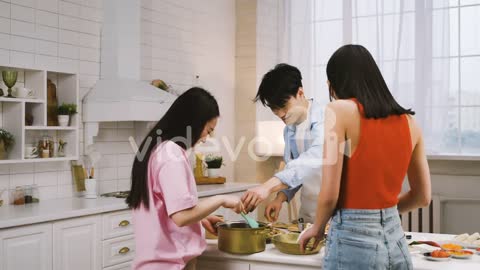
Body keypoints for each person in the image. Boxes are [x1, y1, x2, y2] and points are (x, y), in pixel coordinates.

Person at [298, 44, 431, 270]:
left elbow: (330, 194)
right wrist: (382, 214)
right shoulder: (410, 122)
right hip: (396, 240)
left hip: (353, 243)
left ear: (333, 83)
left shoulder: (338, 110)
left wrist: (317, 228)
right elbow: (423, 197)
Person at [126, 87, 244, 270]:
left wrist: (201, 219)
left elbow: (167, 210)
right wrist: (221, 199)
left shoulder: (155, 148)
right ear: (194, 123)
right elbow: (181, 216)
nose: (206, 138)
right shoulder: (171, 154)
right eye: (208, 130)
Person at [241, 63, 325, 223]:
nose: (280, 114)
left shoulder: (324, 119)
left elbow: (312, 160)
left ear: (300, 93)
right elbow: (294, 169)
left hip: (334, 216)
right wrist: (280, 198)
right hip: (309, 214)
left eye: (284, 106)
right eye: (274, 109)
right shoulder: (289, 130)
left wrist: (267, 187)